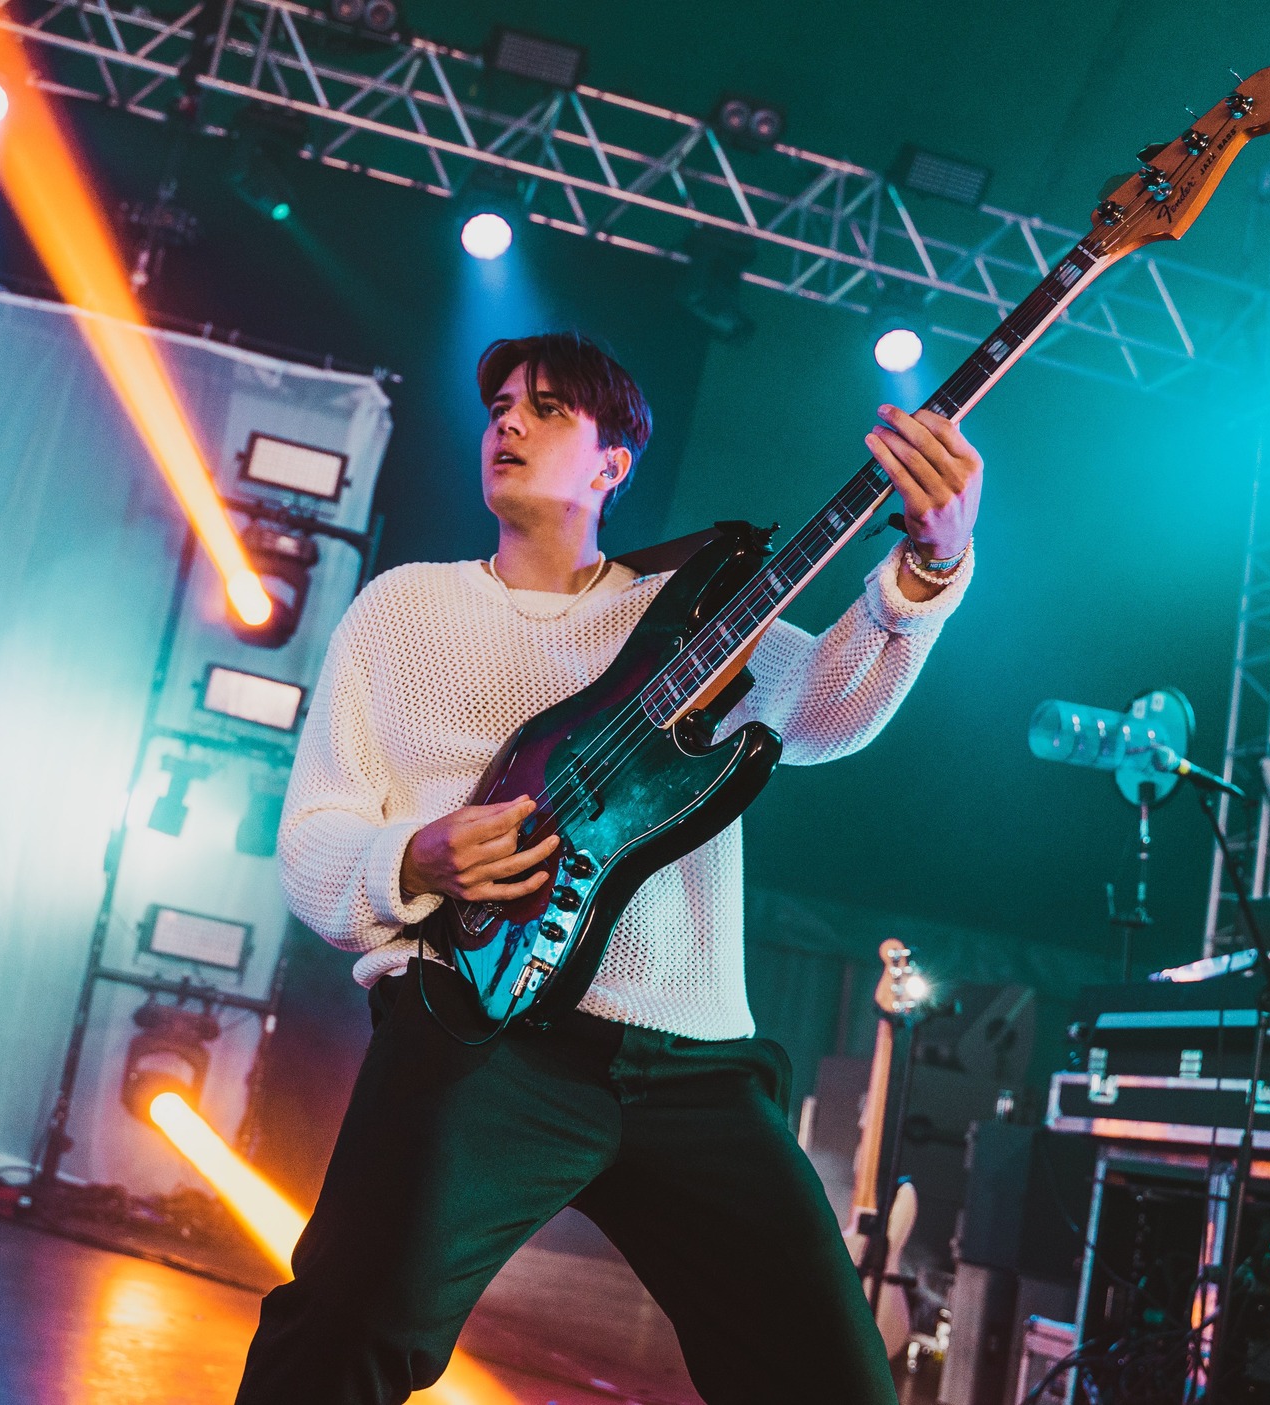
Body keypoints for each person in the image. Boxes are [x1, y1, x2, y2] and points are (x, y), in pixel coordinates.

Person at [238, 332, 982, 1405]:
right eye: (500, 403)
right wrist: (414, 853)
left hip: (689, 1057)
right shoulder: (403, 612)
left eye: (547, 408)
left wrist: (928, 570)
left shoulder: (691, 618)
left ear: (613, 464)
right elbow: (313, 837)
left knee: (831, 1381)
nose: (508, 420)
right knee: (339, 1337)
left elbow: (826, 709)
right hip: (476, 1032)